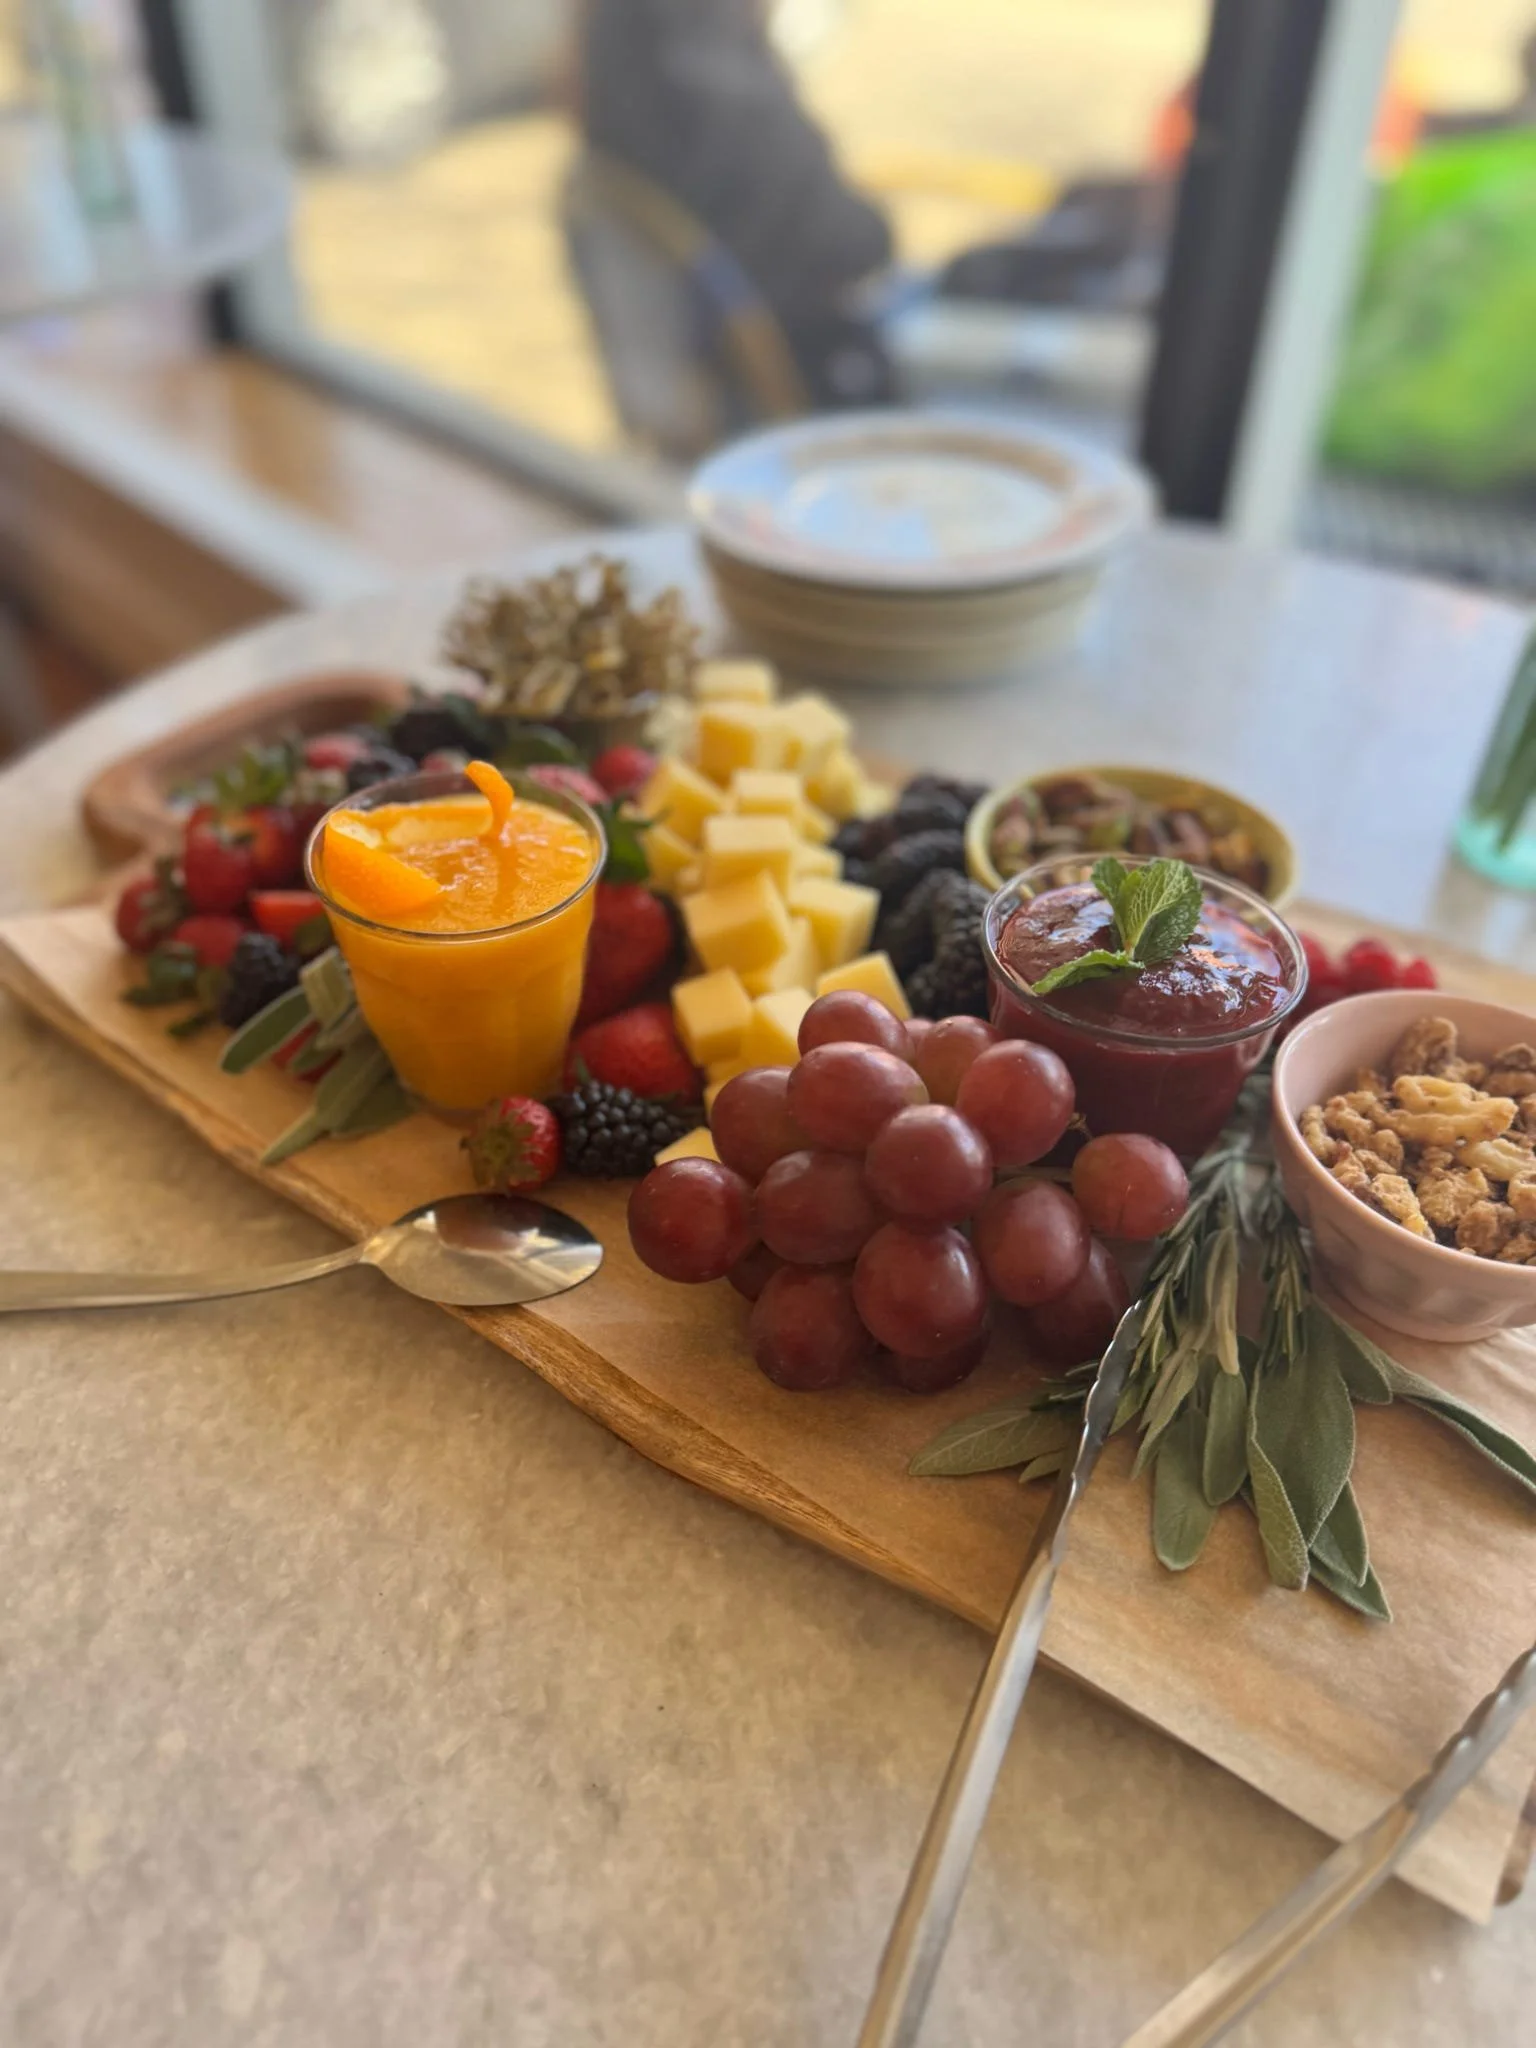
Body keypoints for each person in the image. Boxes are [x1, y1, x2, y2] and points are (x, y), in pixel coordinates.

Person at [571, 0, 894, 413]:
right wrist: (872, 230)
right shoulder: (693, 39)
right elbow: (834, 235)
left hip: (718, 315)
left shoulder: (623, 32)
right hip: (767, 356)